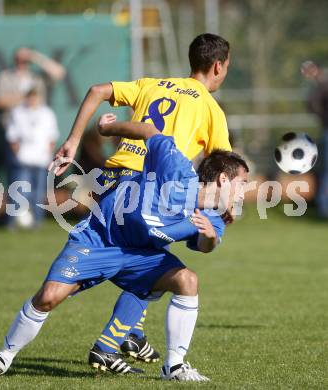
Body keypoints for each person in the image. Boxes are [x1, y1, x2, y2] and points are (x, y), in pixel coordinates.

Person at [0, 116, 248, 382]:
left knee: (188, 280)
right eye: (242, 183)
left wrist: (210, 237)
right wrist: (108, 130)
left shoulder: (216, 217)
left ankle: (174, 366)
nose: (244, 191)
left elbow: (204, 246)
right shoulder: (175, 168)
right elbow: (150, 131)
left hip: (141, 254)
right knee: (48, 297)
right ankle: (2, 357)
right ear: (223, 179)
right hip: (100, 237)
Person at [51, 33, 233, 363]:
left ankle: (130, 334)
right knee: (152, 265)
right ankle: (113, 341)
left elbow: (96, 91)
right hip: (147, 188)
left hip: (110, 180)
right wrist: (225, 201)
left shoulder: (154, 83)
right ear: (219, 66)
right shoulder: (211, 109)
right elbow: (224, 167)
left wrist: (73, 141)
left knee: (142, 256)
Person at [6, 86, 59, 227]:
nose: (32, 100)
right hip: (23, 160)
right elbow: (12, 137)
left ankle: (37, 222)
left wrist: (46, 154)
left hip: (41, 160)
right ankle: (13, 222)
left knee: (38, 193)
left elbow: (52, 137)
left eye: (35, 97)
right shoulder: (17, 112)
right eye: (30, 96)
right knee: (20, 191)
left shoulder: (47, 113)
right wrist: (18, 154)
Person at [302, 61, 328, 218]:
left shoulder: (322, 84)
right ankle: (323, 208)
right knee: (325, 172)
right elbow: (313, 104)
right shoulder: (319, 88)